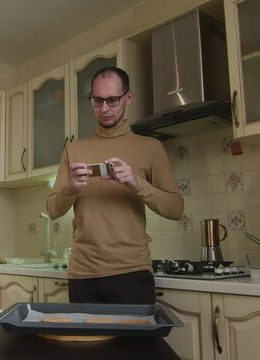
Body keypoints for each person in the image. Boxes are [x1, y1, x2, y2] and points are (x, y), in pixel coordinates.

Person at [46, 67, 184, 304]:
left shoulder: (150, 147)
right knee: (86, 343)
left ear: (128, 98)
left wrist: (135, 182)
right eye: (97, 101)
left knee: (132, 343)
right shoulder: (74, 149)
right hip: (82, 275)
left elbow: (176, 209)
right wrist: (71, 188)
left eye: (112, 100)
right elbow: (52, 209)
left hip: (131, 272)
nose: (105, 109)